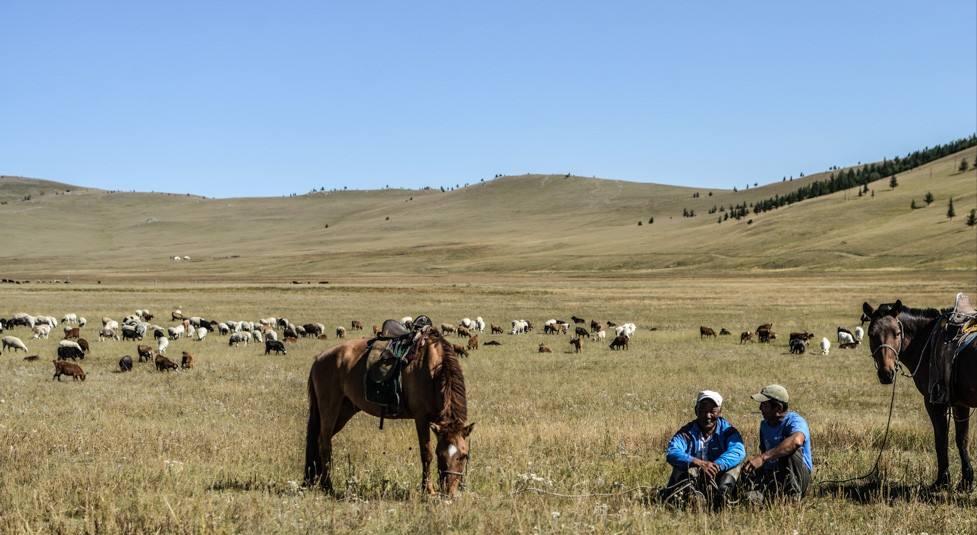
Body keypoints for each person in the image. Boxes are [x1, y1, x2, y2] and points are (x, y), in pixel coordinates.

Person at [660, 390, 746, 509]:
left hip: (718, 475)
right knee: (681, 467)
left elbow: (738, 451)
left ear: (720, 412)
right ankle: (690, 498)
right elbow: (672, 452)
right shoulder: (686, 432)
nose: (708, 416)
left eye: (712, 412)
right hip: (696, 476)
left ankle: (723, 498)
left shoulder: (728, 431)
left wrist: (716, 466)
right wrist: (698, 463)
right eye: (703, 411)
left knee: (735, 466)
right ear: (696, 411)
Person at [742, 384, 813, 500]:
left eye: (764, 405)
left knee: (790, 452)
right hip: (773, 473)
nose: (760, 408)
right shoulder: (764, 425)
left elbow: (796, 441)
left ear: (778, 408)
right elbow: (764, 451)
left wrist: (763, 458)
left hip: (798, 476)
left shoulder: (795, 421)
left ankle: (792, 497)